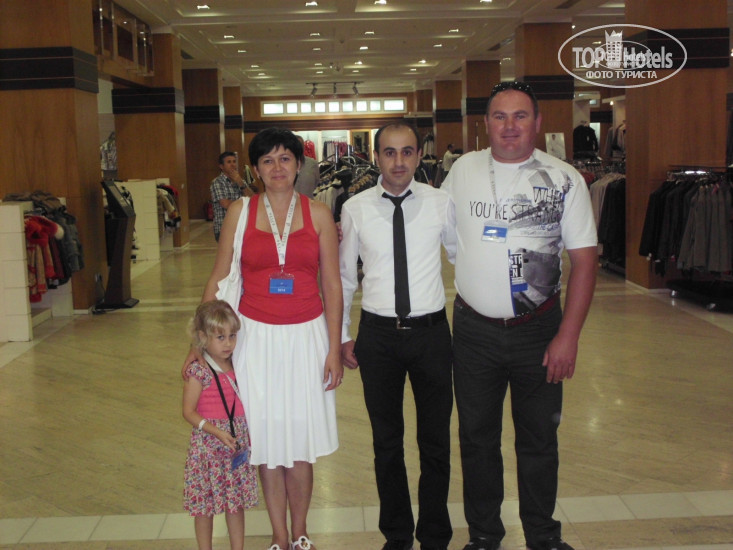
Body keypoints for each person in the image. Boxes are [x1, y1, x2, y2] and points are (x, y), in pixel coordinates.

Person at [442, 81, 597, 550]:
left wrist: (568, 336)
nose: (509, 126)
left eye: (520, 115)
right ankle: (484, 535)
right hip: (474, 332)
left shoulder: (565, 178)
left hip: (540, 332)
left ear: (538, 122)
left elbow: (585, 261)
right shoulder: (463, 170)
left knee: (539, 439)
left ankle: (543, 536)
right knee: (476, 439)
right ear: (485, 123)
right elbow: (438, 229)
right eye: (500, 116)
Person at [185, 127, 344, 550]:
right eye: (267, 161)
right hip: (254, 339)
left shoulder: (319, 213)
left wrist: (333, 348)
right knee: (267, 440)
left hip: (306, 338)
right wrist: (197, 346)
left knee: (300, 442)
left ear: (299, 165)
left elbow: (332, 285)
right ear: (255, 169)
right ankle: (278, 534)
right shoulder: (240, 212)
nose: (277, 168)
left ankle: (301, 531)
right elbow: (219, 278)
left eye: (285, 158)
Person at [340, 122, 456, 550]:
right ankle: (397, 534)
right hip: (378, 337)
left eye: (407, 151)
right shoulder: (355, 208)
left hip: (431, 335)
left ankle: (435, 534)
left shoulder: (441, 202)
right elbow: (344, 278)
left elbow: (462, 258)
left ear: (419, 154)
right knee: (386, 443)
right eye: (389, 152)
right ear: (376, 157)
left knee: (435, 442)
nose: (399, 161)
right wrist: (343, 335)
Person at [182, 300, 258, 550]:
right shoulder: (199, 371)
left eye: (232, 336)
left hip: (235, 443)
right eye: (220, 337)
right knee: (204, 507)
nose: (228, 344)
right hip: (209, 447)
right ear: (203, 338)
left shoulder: (239, 365)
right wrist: (215, 431)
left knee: (235, 504)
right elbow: (188, 411)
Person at [210, 152, 255, 241]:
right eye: (229, 162)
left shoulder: (240, 181)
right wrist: (246, 205)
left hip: (242, 226)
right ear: (221, 166)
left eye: (234, 161)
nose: (233, 165)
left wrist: (240, 183)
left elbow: (253, 199)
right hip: (224, 228)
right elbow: (225, 203)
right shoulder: (217, 182)